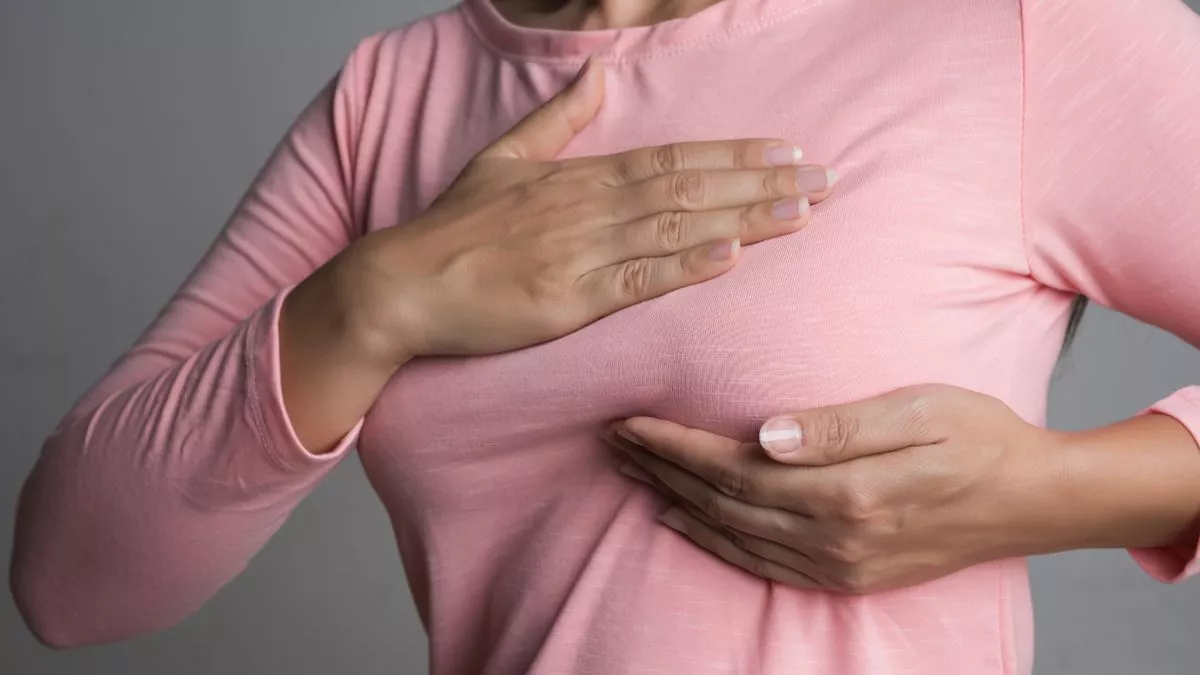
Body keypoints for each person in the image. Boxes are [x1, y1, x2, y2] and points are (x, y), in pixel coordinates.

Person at [10, 0, 1200, 672]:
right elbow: (72, 584)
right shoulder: (394, 94)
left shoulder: (1018, 31)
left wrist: (1074, 491)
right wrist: (372, 305)